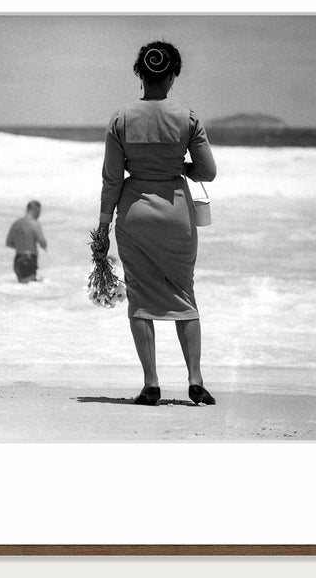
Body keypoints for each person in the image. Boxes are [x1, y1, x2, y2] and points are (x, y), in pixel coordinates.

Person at [97, 42, 217, 406]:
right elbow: (208, 172)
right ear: (172, 75)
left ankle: (151, 383)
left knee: (140, 298)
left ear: (140, 74)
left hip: (134, 216)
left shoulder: (121, 119)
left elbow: (112, 180)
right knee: (184, 295)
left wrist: (103, 227)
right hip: (176, 214)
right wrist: (181, 168)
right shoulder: (187, 118)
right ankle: (195, 380)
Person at [6, 200, 47, 283]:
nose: (39, 215)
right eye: (39, 212)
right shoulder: (34, 223)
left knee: (22, 287)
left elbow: (8, 243)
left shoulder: (16, 224)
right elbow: (42, 241)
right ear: (36, 210)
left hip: (18, 260)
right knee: (31, 288)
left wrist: (20, 245)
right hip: (29, 259)